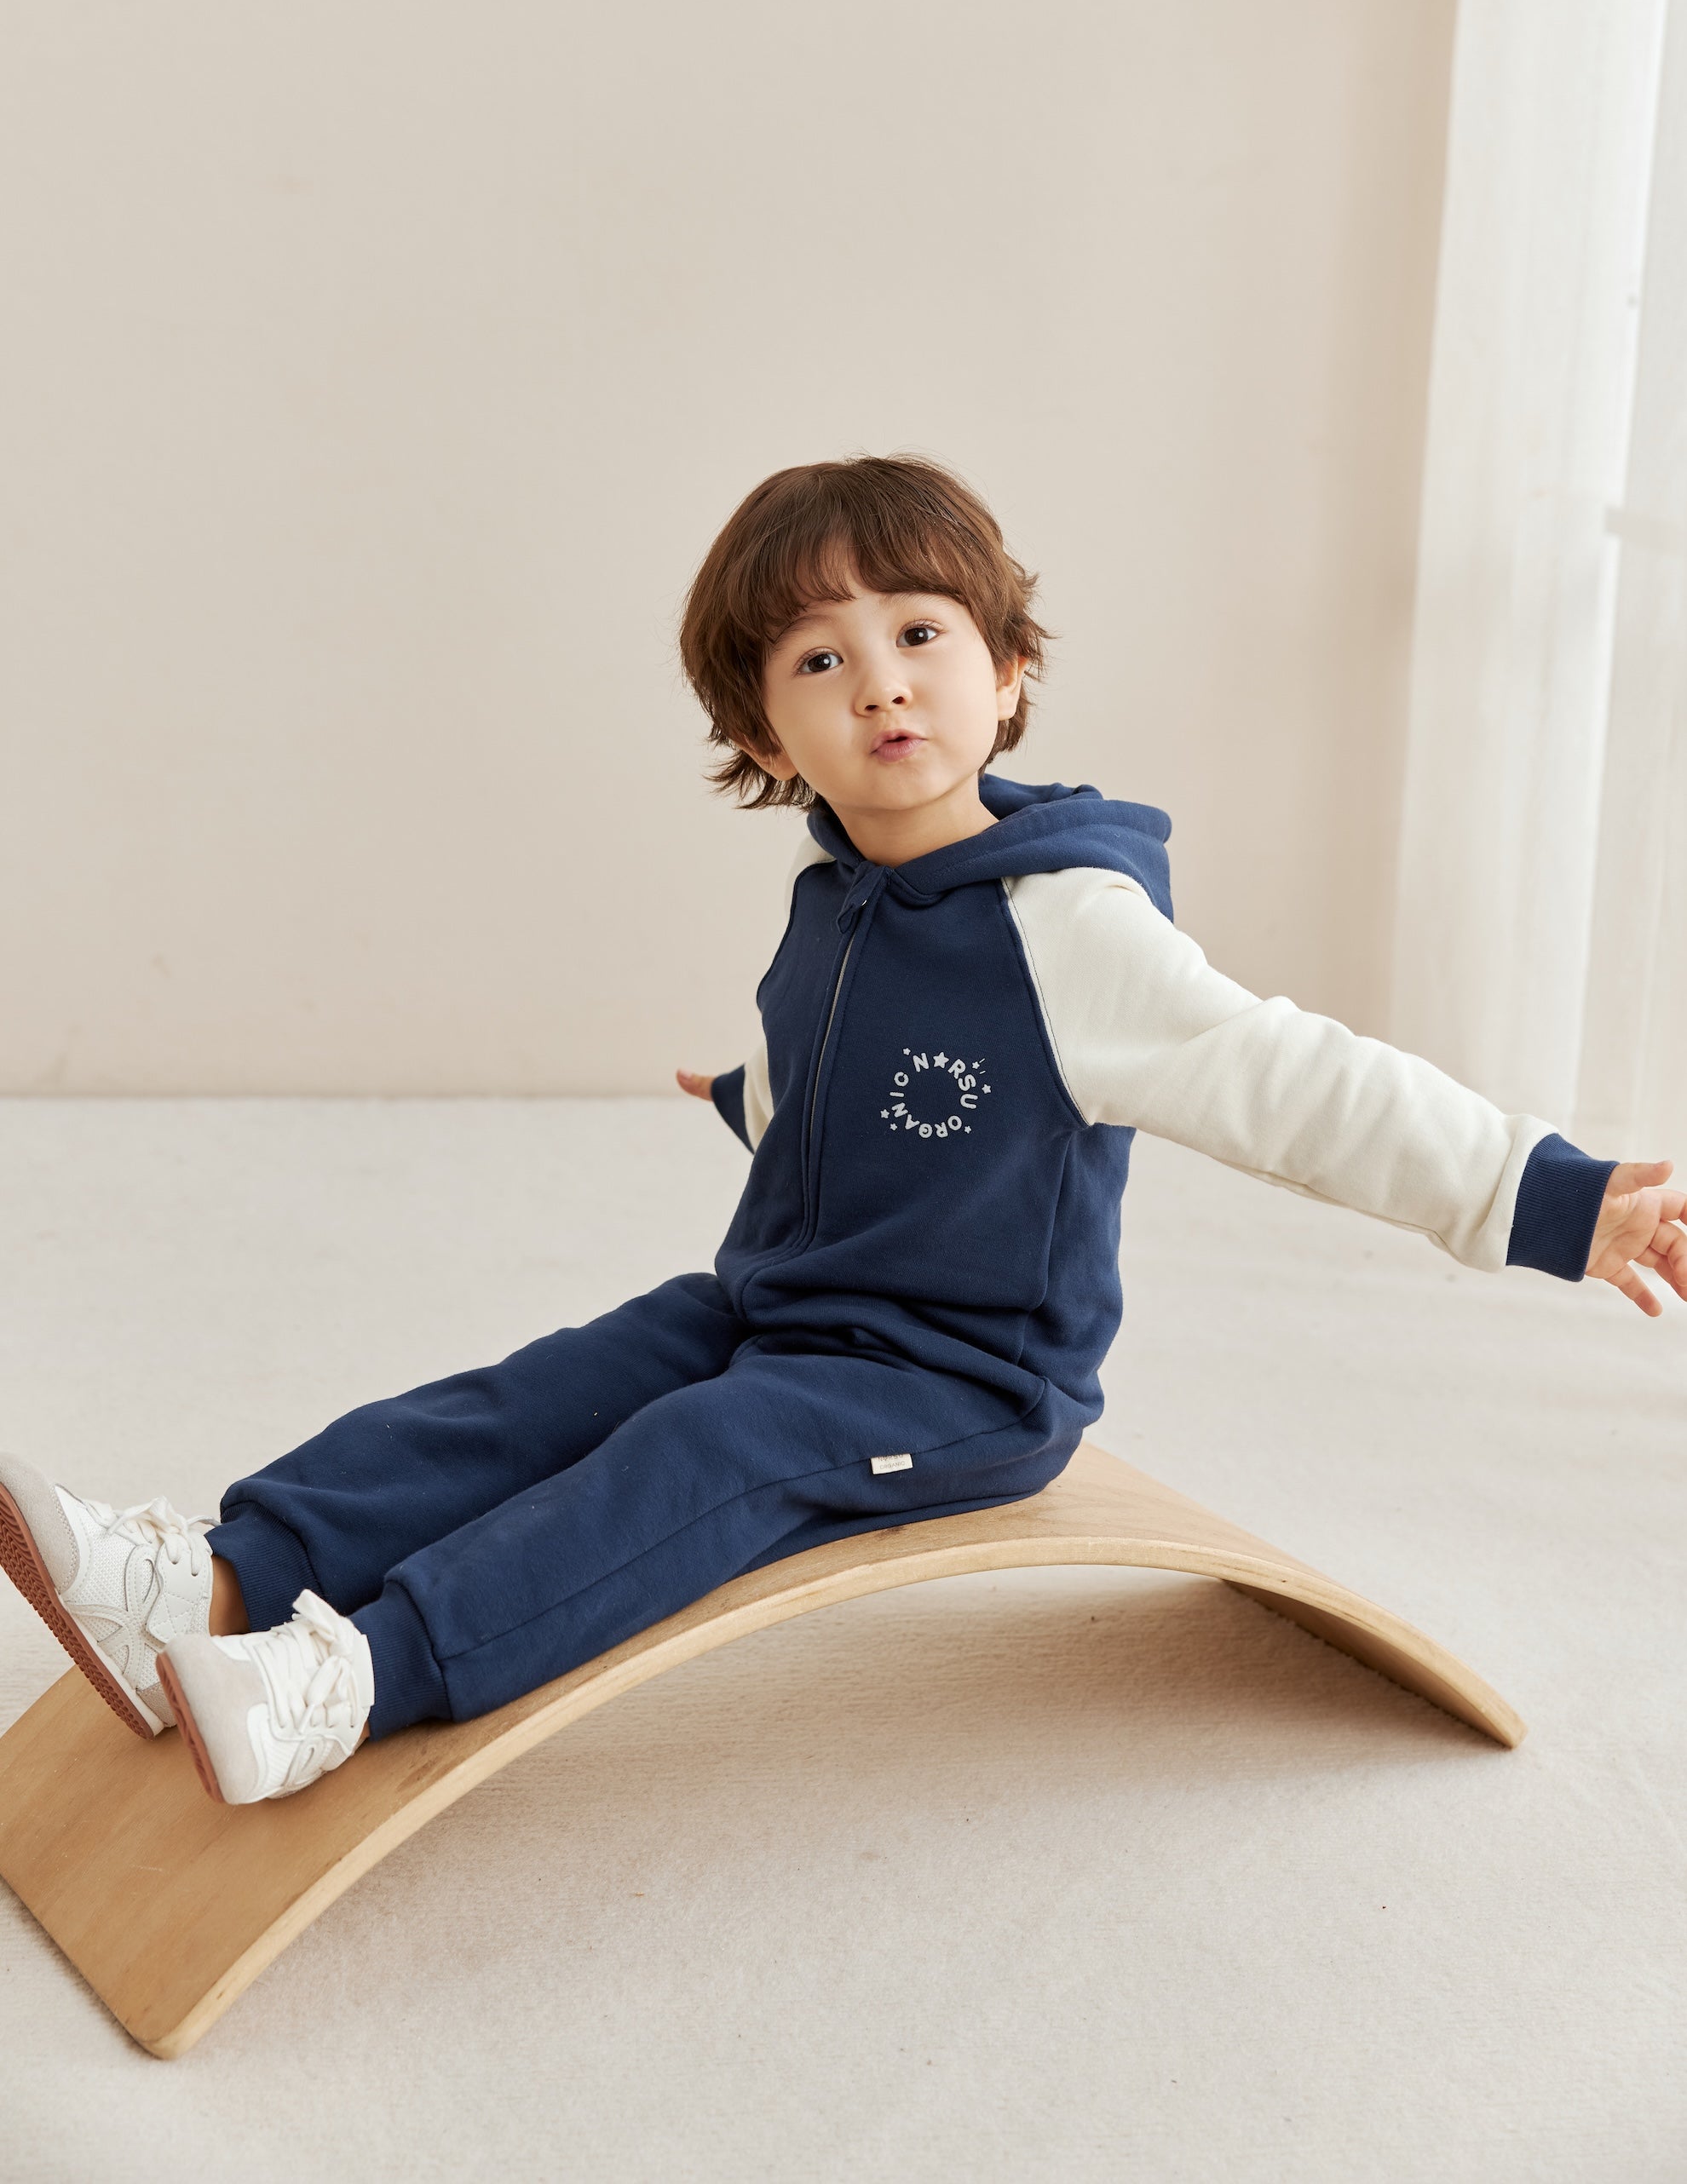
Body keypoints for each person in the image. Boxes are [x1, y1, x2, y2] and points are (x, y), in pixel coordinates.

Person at [3, 457, 1682, 1808]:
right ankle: (213, 1580)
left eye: (921, 633)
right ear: (764, 735)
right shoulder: (840, 894)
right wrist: (750, 1098)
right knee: (540, 1394)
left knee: (692, 1460)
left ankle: (356, 1682)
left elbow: (1302, 1081)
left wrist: (1556, 1197)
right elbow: (859, 1077)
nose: (880, 682)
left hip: (955, 1383)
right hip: (777, 1308)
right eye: (821, 659)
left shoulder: (1076, 927)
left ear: (1008, 677)